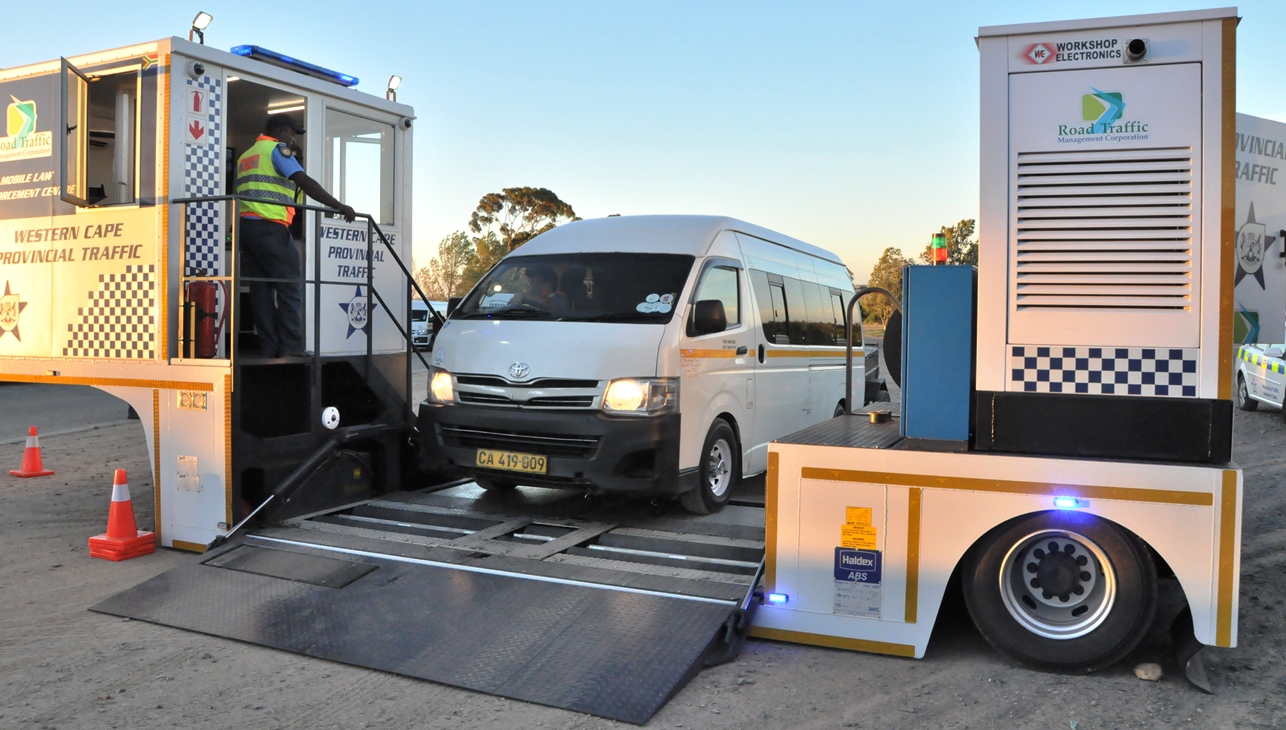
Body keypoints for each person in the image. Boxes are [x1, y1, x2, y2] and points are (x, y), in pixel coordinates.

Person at [236, 113, 355, 357]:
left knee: (260, 290)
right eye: (291, 133)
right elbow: (305, 183)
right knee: (290, 290)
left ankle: (269, 348)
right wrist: (338, 205)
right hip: (271, 227)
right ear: (281, 131)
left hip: (247, 229)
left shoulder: (246, 155)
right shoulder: (278, 150)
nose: (292, 140)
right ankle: (291, 349)